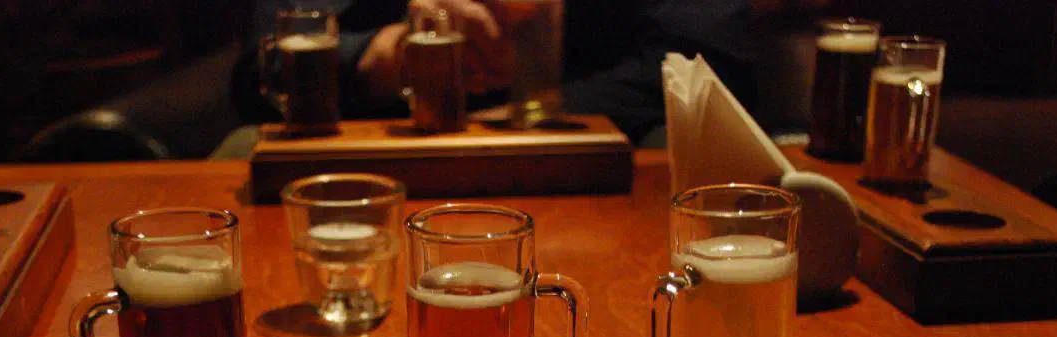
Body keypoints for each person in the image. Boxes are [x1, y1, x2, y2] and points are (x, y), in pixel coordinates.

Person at [233, 1, 760, 145]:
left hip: (595, 161)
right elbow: (259, 70)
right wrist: (382, 53)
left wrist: (530, 107)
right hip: (389, 159)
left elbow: (713, 64)